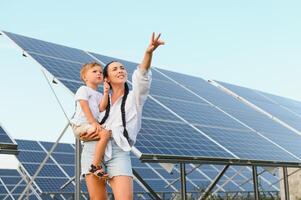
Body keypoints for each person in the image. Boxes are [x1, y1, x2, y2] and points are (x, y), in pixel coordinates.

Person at [80, 32, 165, 200]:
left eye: (122, 68)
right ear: (106, 78)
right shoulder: (99, 100)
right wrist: (84, 133)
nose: (120, 70)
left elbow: (142, 75)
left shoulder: (135, 97)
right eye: (114, 69)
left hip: (118, 150)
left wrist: (148, 53)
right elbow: (84, 119)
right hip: (92, 149)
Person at [70, 62, 111, 179]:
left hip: (89, 125)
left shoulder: (98, 94)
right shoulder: (83, 89)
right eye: (94, 71)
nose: (99, 73)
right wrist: (94, 122)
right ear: (85, 77)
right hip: (81, 125)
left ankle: (96, 164)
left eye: (100, 72)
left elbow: (101, 108)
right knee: (105, 134)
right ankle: (95, 166)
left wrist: (106, 92)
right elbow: (84, 106)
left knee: (107, 134)